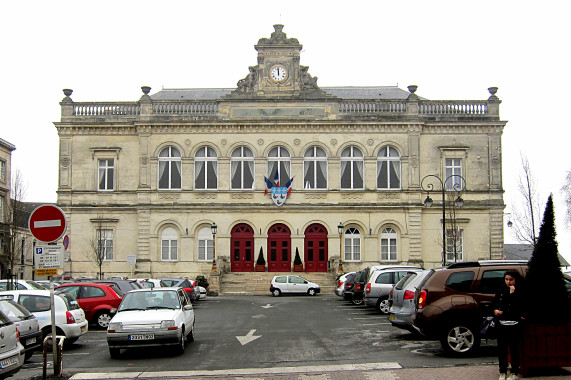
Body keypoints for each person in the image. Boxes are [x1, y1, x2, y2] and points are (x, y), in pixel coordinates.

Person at [493, 270, 525, 380]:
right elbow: (496, 304)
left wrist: (512, 294)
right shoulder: (501, 290)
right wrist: (495, 310)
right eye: (506, 279)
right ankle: (502, 371)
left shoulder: (519, 291)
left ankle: (514, 372)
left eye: (511, 279)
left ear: (516, 280)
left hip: (514, 324)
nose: (508, 282)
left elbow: (517, 306)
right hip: (502, 324)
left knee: (514, 349)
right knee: (502, 350)